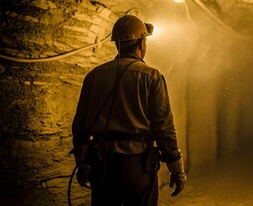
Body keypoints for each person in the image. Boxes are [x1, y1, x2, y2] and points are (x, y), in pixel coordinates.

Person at [71, 14, 187, 206]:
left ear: (117, 44)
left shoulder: (93, 76)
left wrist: (82, 163)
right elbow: (164, 128)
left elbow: (79, 126)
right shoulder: (152, 76)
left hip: (102, 166)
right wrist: (177, 169)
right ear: (142, 43)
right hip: (137, 167)